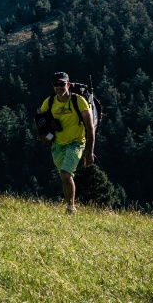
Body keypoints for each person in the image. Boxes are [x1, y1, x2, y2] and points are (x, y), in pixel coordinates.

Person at [38, 72, 96, 214]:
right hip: (57, 144)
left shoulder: (79, 101)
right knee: (64, 175)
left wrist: (89, 153)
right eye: (56, 84)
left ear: (68, 85)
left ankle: (71, 208)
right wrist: (46, 131)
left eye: (62, 84)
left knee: (65, 173)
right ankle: (67, 205)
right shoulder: (49, 102)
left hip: (76, 143)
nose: (59, 87)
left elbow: (90, 128)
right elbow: (40, 121)